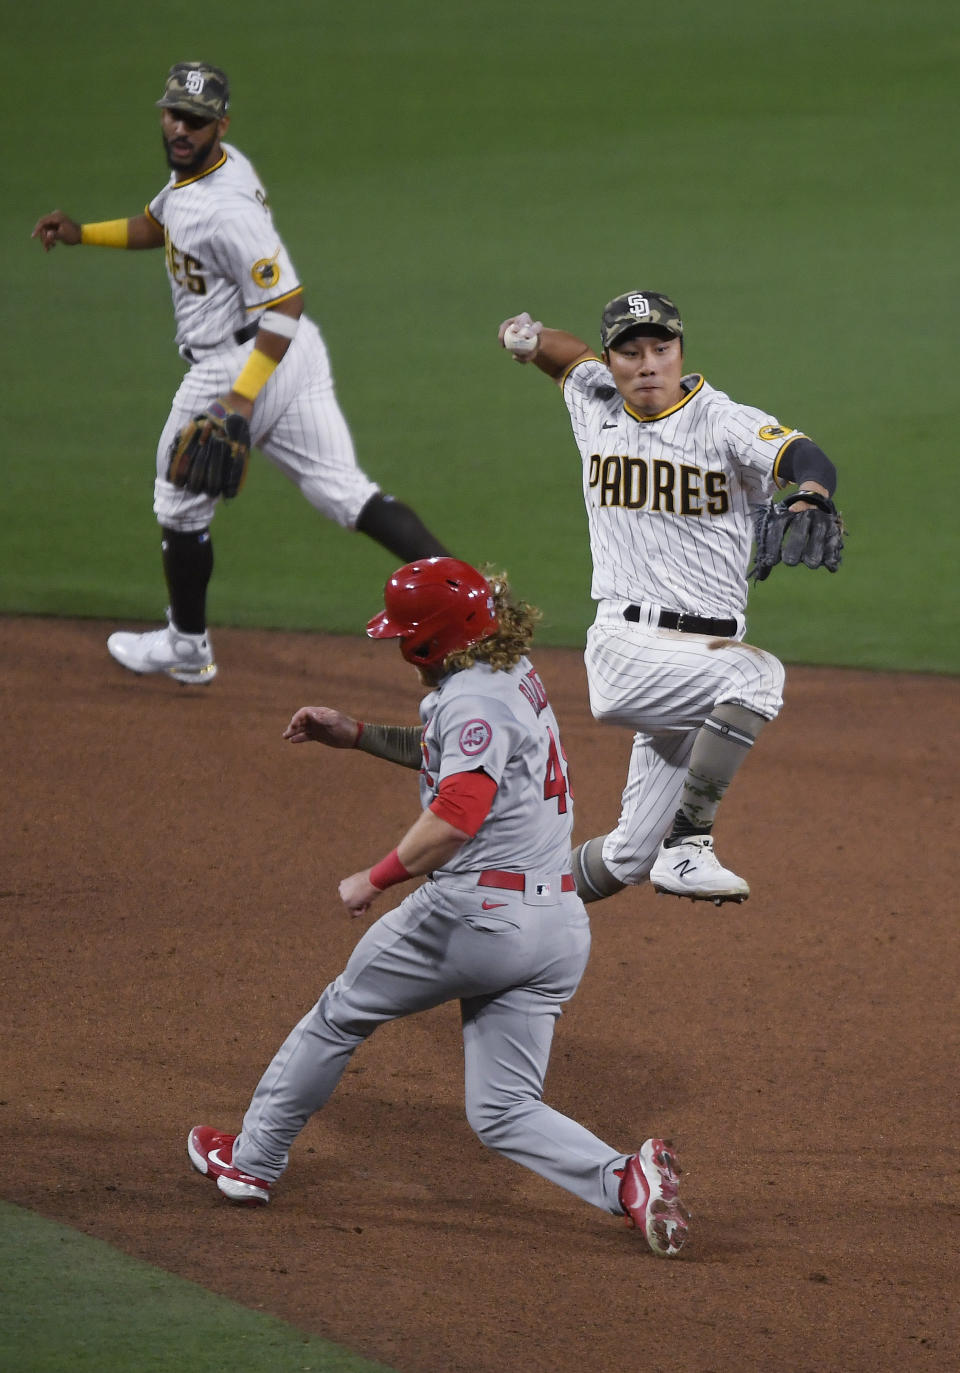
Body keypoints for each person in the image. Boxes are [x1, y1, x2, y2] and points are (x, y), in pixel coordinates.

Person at [186, 557, 689, 1258]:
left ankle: (252, 1159)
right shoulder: (507, 673)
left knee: (339, 1013)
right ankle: (625, 1179)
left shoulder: (470, 699)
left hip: (476, 917)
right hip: (556, 928)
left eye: (403, 633)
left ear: (428, 641)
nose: (397, 644)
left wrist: (376, 876)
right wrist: (356, 732)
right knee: (503, 1110)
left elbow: (456, 812)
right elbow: (450, 759)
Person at [31, 61, 448, 685]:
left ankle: (187, 646)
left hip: (243, 363)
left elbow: (286, 303)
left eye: (195, 121)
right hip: (293, 355)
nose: (180, 128)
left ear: (219, 124)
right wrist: (82, 234)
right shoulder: (209, 174)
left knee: (178, 504)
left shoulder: (226, 210)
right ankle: (477, 605)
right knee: (345, 492)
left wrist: (240, 400)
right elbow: (161, 222)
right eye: (173, 114)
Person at [497, 292, 841, 905]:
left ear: (681, 352)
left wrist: (811, 493)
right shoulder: (594, 400)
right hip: (626, 646)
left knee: (629, 854)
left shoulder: (724, 421)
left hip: (697, 663)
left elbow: (804, 455)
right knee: (758, 678)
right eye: (630, 352)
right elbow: (565, 356)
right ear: (612, 361)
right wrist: (526, 339)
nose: (648, 364)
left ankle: (504, 902)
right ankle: (689, 845)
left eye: (662, 349)